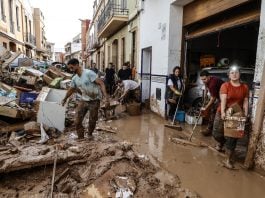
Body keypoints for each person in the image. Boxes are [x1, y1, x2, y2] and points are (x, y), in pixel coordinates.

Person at [62, 58, 109, 139]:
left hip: (94, 100)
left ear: (77, 65)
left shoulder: (88, 73)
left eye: (72, 67)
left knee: (92, 120)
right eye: (69, 68)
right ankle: (81, 137)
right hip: (84, 100)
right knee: (77, 121)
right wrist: (65, 99)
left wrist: (106, 98)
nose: (70, 69)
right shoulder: (74, 78)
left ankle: (90, 135)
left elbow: (101, 83)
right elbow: (71, 90)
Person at [212, 66, 249, 168]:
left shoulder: (244, 87)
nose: (234, 74)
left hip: (236, 113)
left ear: (239, 74)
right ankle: (221, 143)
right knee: (216, 133)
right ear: (228, 75)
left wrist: (246, 114)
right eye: (232, 72)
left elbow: (245, 101)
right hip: (222, 112)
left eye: (236, 72)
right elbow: (223, 100)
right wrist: (223, 113)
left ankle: (228, 160)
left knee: (232, 138)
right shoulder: (225, 85)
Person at [200, 70, 224, 136]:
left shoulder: (212, 84)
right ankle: (210, 128)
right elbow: (206, 87)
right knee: (212, 110)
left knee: (214, 111)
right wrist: (205, 97)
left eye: (204, 79)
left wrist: (206, 107)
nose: (203, 81)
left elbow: (213, 98)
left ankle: (210, 130)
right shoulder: (207, 81)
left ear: (209, 77)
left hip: (224, 97)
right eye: (202, 79)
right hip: (218, 96)